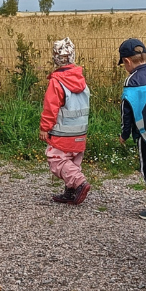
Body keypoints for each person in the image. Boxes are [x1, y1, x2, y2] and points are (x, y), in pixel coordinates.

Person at [117, 38, 146, 220]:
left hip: (145, 135)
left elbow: (127, 110)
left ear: (127, 61)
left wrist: (124, 134)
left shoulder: (131, 82)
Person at [41, 38, 91, 205]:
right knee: (73, 161)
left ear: (55, 58)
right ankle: (70, 191)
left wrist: (45, 127)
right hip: (80, 131)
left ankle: (79, 183)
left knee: (56, 159)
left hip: (63, 133)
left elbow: (51, 107)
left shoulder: (56, 82)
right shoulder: (81, 80)